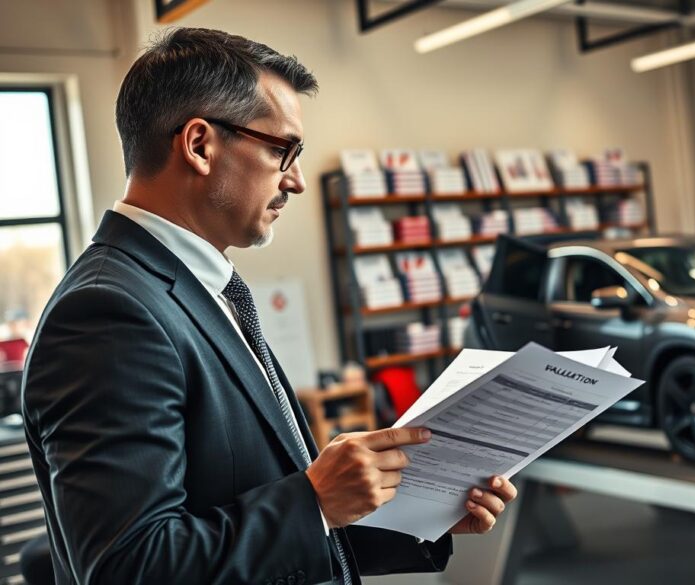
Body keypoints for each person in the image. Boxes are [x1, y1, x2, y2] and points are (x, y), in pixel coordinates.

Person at [21, 27, 516, 585]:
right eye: (284, 149)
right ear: (200, 145)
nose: (297, 180)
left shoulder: (202, 289)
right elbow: (130, 567)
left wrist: (423, 519)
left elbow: (252, 502)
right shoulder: (108, 313)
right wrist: (313, 499)